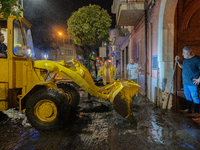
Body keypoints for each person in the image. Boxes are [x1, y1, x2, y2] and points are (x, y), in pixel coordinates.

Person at [175, 46, 200, 118]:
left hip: (193, 82)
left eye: (184, 53)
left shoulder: (197, 59)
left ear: (189, 53)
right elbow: (182, 66)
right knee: (187, 95)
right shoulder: (186, 59)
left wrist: (199, 79)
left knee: (195, 96)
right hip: (186, 82)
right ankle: (189, 109)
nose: (182, 54)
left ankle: (196, 112)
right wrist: (178, 61)